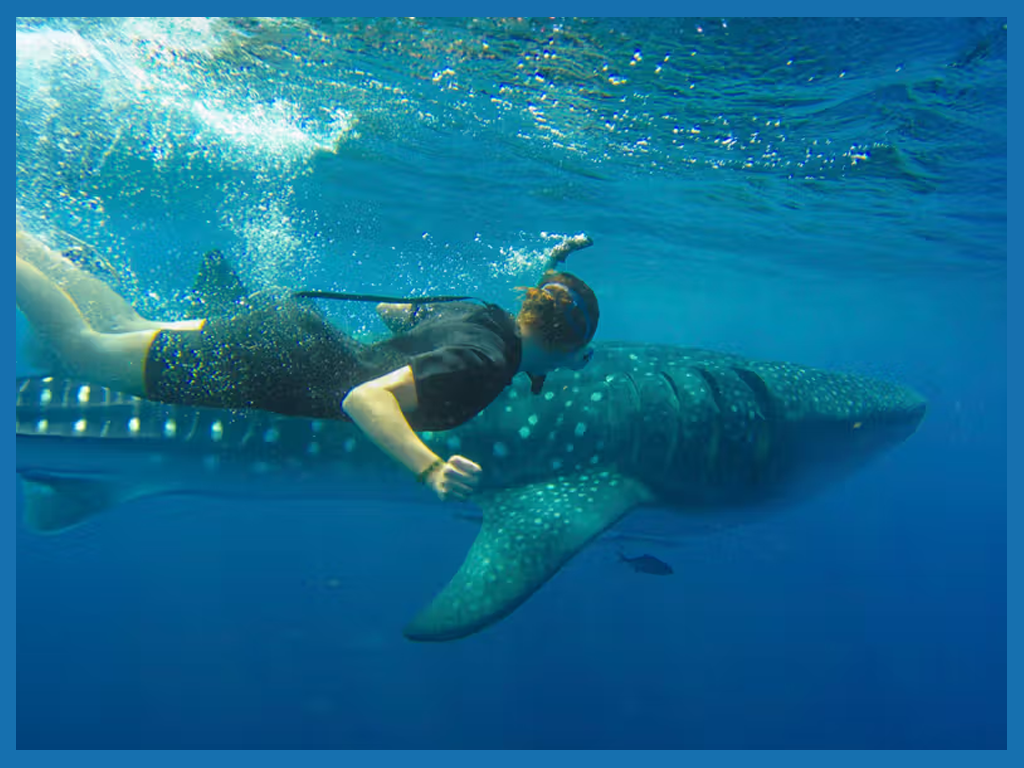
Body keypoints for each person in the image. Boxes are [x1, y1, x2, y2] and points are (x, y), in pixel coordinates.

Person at [15, 228, 600, 502]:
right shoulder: (485, 362)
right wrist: (431, 471)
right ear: (569, 347)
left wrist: (556, 265)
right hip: (264, 365)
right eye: (585, 350)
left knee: (124, 326)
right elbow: (364, 400)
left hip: (285, 333)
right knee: (83, 348)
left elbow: (397, 315)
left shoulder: (486, 316)